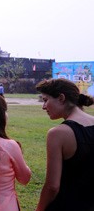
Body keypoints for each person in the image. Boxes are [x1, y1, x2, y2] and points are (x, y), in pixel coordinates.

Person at [35, 78, 94, 211]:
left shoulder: (58, 134)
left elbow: (52, 186)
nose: (43, 107)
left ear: (61, 98)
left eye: (45, 100)